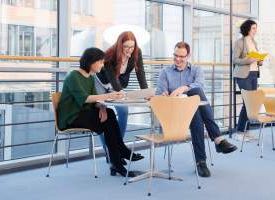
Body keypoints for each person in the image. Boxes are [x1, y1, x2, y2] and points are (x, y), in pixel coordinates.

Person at [57, 47, 144, 177]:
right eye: (101, 62)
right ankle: (120, 157)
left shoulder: (90, 77)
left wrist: (101, 107)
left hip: (85, 113)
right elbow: (85, 98)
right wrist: (107, 97)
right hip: (71, 117)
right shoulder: (73, 76)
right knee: (108, 122)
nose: (103, 66)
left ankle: (118, 161)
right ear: (91, 62)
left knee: (109, 114)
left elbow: (94, 100)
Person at [156, 41, 238, 178]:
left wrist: (184, 88)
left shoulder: (196, 70)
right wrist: (164, 95)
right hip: (174, 114)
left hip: (191, 110)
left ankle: (201, 162)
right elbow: (159, 94)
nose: (177, 59)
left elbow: (199, 84)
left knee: (195, 104)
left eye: (181, 56)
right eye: (175, 55)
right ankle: (217, 139)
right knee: (196, 94)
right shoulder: (165, 72)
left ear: (188, 56)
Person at [95, 31, 148, 163]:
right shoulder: (109, 54)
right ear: (120, 45)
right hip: (101, 83)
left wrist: (146, 93)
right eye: (126, 47)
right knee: (103, 116)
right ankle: (109, 151)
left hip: (117, 83)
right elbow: (112, 77)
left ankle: (118, 148)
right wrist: (120, 93)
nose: (130, 50)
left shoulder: (137, 52)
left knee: (124, 111)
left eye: (132, 46)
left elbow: (140, 73)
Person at [233, 19, 264, 141]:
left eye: (256, 28)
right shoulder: (239, 42)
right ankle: (239, 132)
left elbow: (255, 59)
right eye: (254, 28)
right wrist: (248, 60)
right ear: (247, 29)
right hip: (243, 75)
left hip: (254, 73)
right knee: (247, 103)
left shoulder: (254, 42)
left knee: (252, 104)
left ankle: (247, 131)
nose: (256, 30)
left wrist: (259, 61)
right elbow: (235, 59)